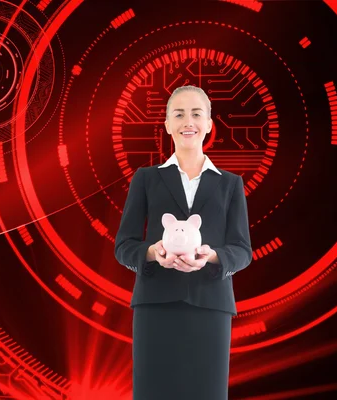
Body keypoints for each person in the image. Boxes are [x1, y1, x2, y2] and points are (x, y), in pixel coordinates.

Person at [114, 85, 253, 400]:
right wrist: (152, 252)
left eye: (196, 114)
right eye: (178, 114)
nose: (187, 121)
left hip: (211, 305)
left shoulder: (230, 184)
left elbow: (242, 250)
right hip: (155, 304)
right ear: (166, 124)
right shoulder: (146, 179)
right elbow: (124, 245)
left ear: (208, 124)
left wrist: (213, 256)